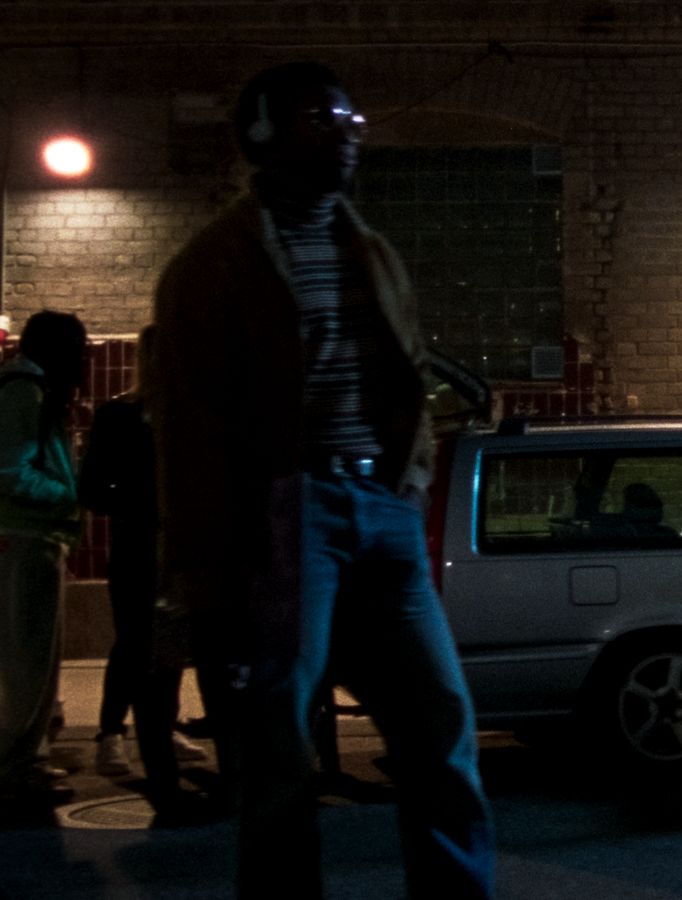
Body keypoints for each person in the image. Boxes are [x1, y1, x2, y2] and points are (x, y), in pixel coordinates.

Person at [150, 63, 494, 896]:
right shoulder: (212, 265)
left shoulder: (370, 249)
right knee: (278, 745)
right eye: (320, 117)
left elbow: (408, 374)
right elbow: (189, 438)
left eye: (351, 115)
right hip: (291, 511)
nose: (346, 132)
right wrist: (209, 600)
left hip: (381, 510)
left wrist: (407, 485)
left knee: (441, 722)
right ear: (262, 136)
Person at [77, 325, 212, 805]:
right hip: (139, 543)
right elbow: (91, 486)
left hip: (177, 545)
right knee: (136, 640)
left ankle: (158, 727)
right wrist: (137, 500)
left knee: (170, 640)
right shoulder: (121, 415)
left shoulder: (189, 415)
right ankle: (112, 733)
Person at [0, 310, 86, 810]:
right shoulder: (22, 391)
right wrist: (67, 497)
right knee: (28, 662)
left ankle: (27, 758)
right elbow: (10, 470)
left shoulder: (24, 388)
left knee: (29, 660)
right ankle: (18, 767)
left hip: (32, 538)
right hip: (26, 538)